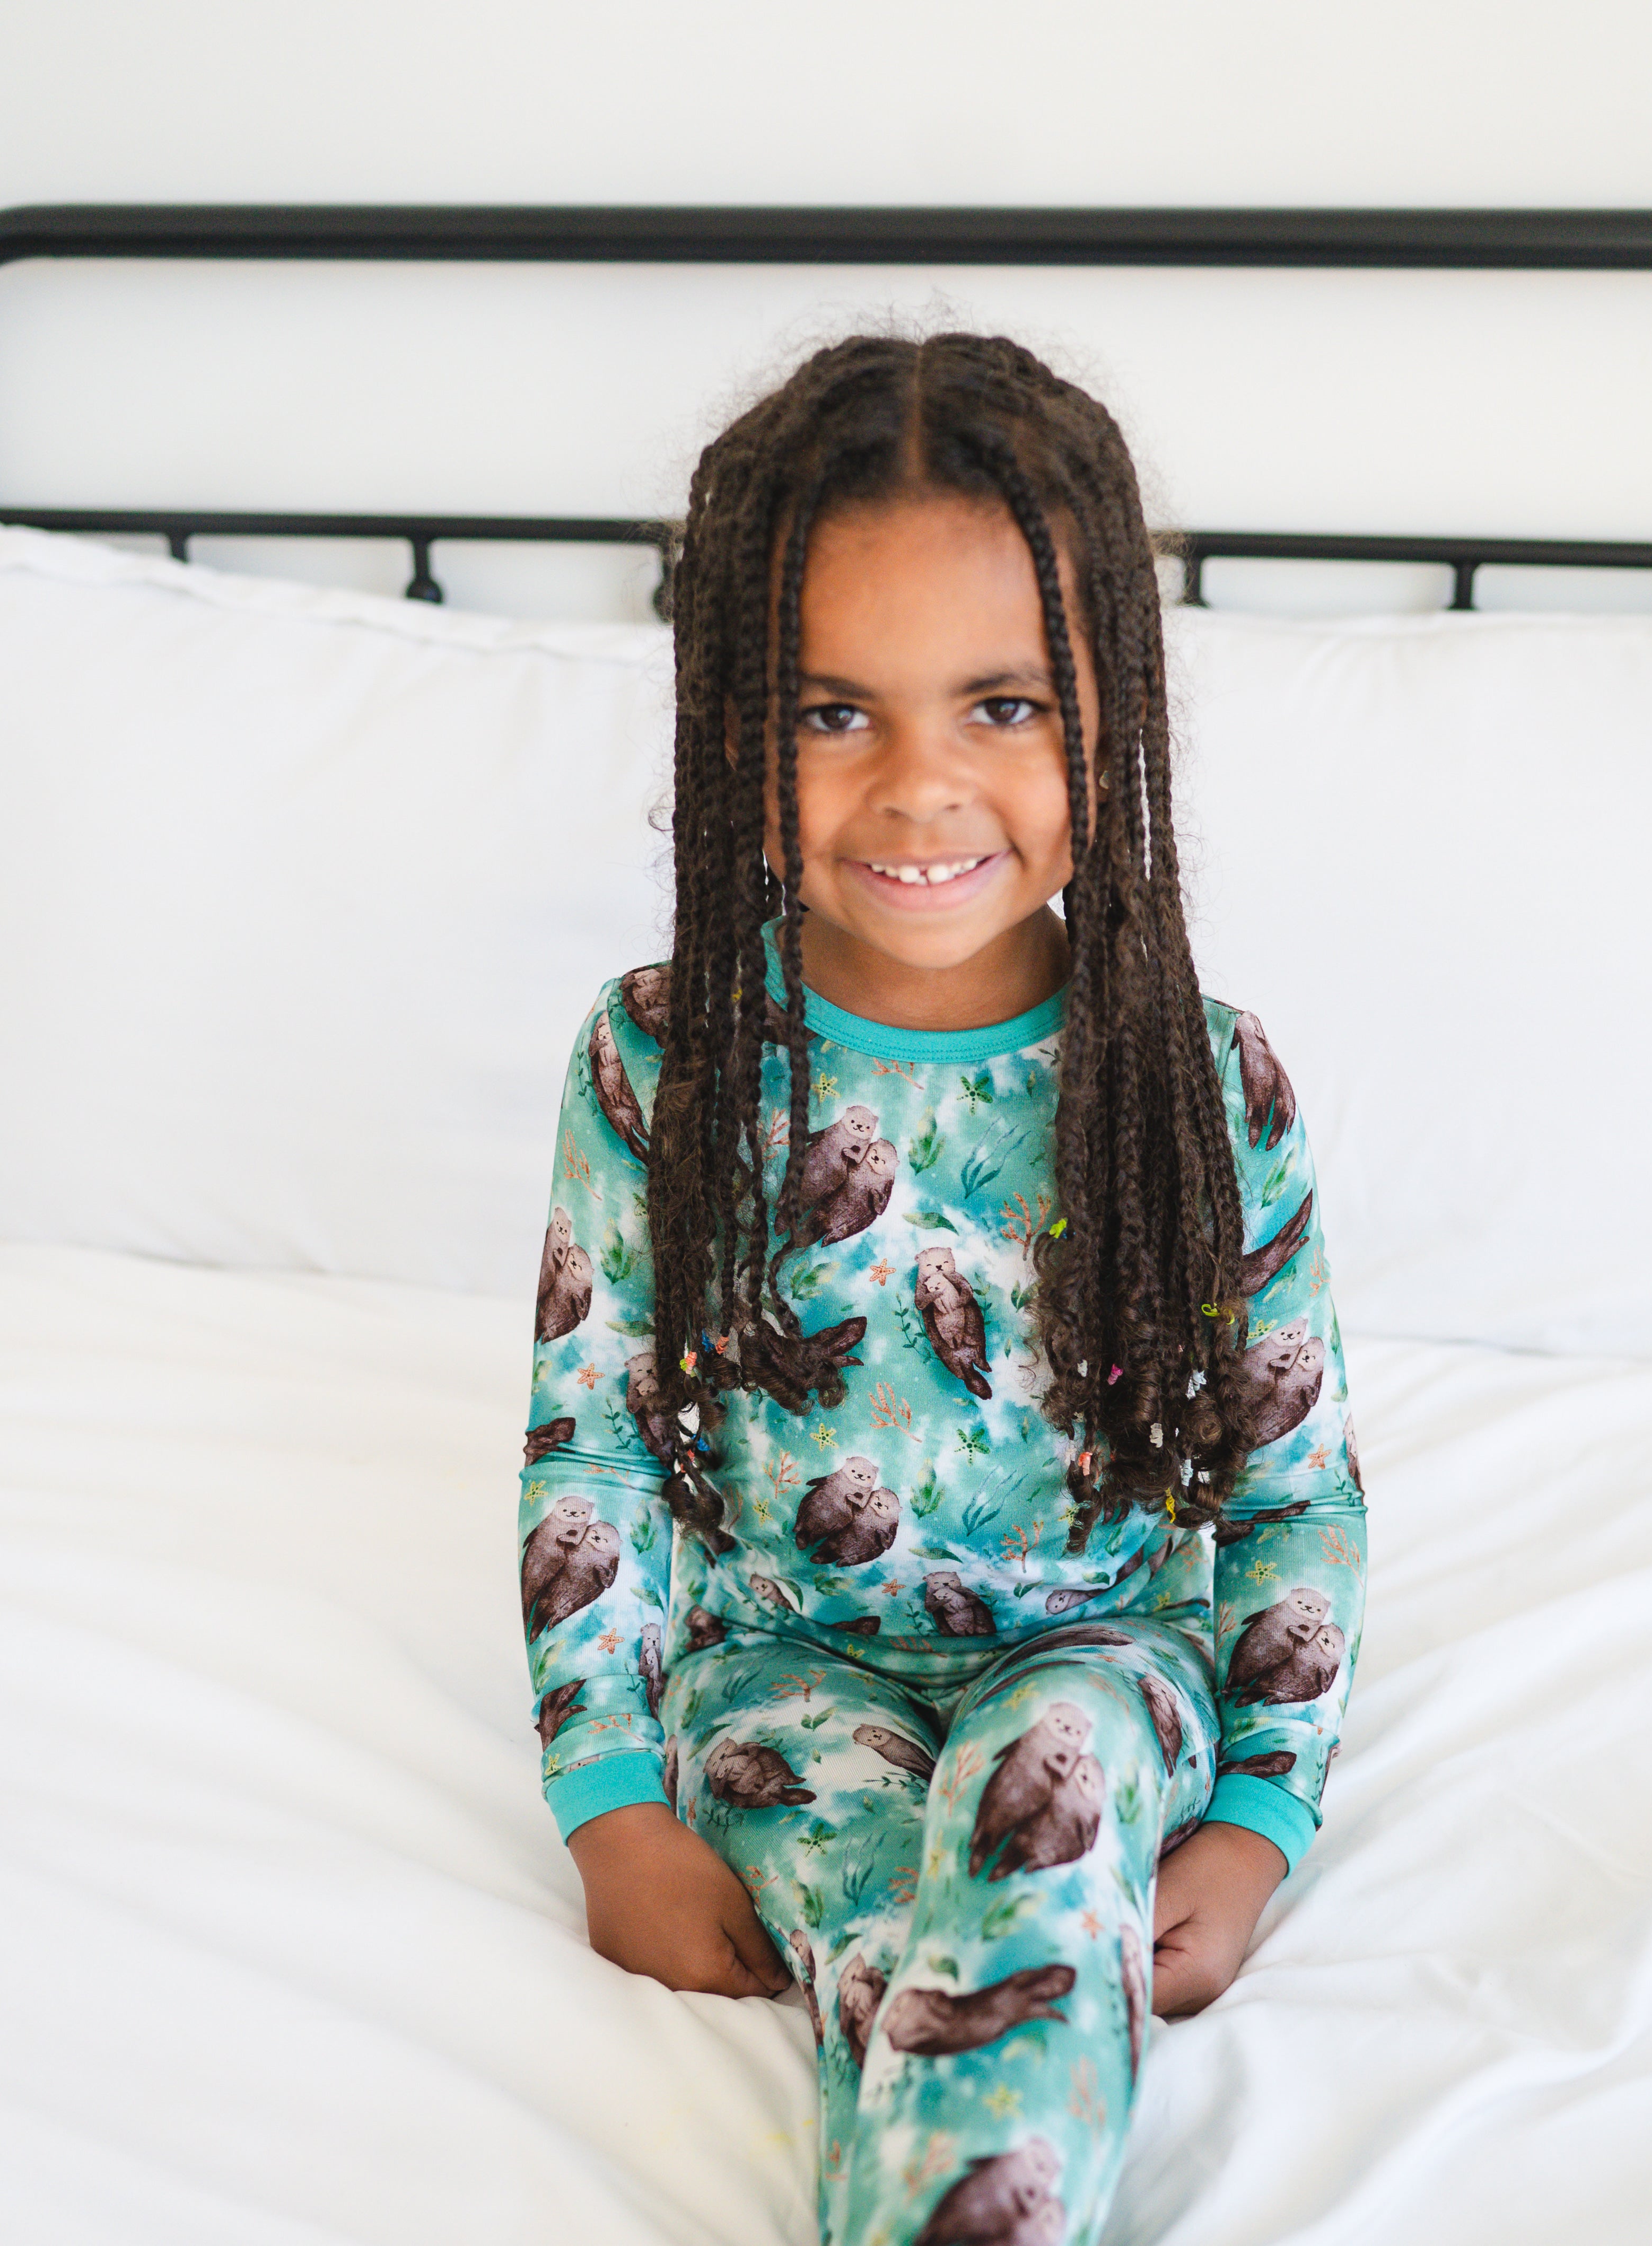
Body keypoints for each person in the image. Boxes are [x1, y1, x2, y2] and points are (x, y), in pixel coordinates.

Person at [520, 333, 1367, 2246]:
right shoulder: (657, 1062)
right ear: (729, 721)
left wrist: (1252, 1818)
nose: (921, 786)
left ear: (1110, 714)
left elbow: (1297, 1490)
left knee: (1043, 1836)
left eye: (1001, 704)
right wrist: (610, 1801)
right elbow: (590, 1450)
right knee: (901, 1956)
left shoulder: (1199, 1084)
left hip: (1104, 1647)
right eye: (833, 712)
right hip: (781, 1676)